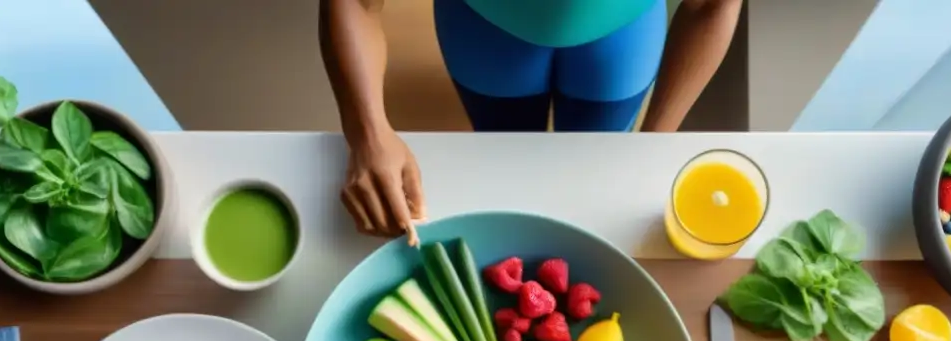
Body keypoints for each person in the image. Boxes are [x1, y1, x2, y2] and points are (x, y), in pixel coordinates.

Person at [319, 0, 744, 241]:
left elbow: (710, 5)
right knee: (506, 164)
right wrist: (368, 134)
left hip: (620, 35)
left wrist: (657, 140)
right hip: (484, 27)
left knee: (597, 173)